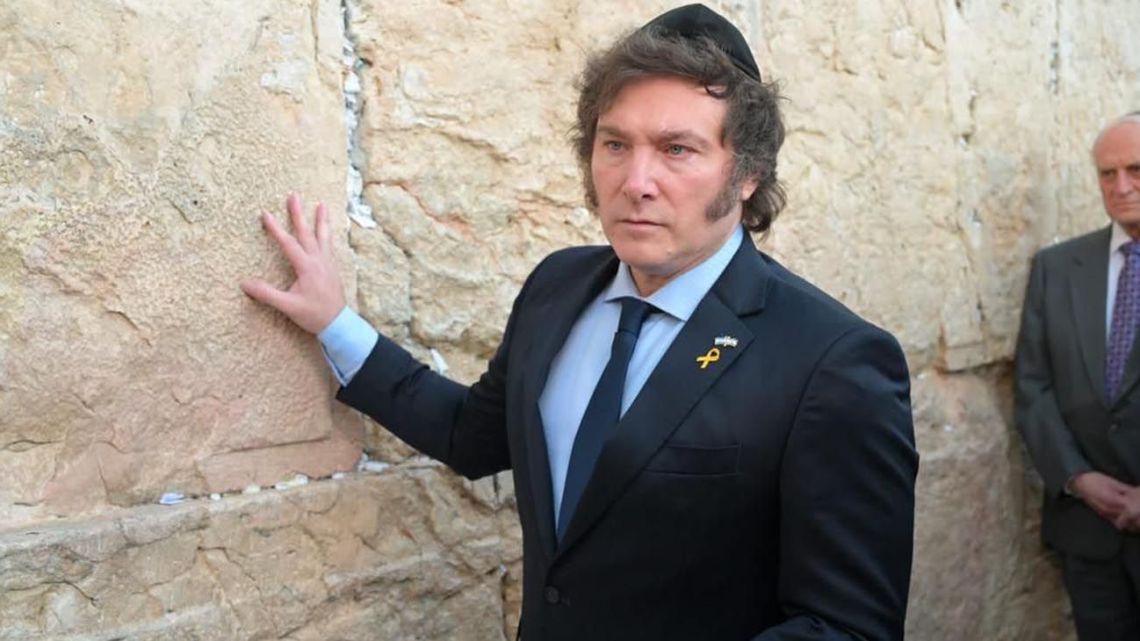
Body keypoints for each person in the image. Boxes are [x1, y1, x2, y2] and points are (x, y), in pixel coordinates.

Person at [242, 5, 917, 640]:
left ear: (746, 174)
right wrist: (335, 322)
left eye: (677, 149)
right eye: (615, 143)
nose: (636, 180)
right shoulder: (558, 288)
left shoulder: (833, 360)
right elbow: (472, 435)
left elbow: (845, 626)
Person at [1015, 111, 1140, 641]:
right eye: (1107, 174)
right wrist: (1077, 477)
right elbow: (1032, 385)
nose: (1122, 186)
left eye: (1136, 169)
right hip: (1088, 532)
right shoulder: (1057, 268)